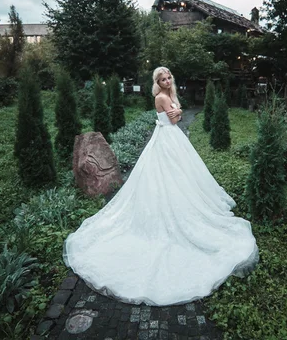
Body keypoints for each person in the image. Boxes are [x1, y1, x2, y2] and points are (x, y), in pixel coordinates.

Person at [63, 67, 259, 306]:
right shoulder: (161, 97)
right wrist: (177, 111)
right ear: (157, 82)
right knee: (165, 176)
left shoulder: (169, 95)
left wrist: (176, 111)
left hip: (172, 138)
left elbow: (176, 115)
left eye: (168, 78)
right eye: (162, 79)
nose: (166, 81)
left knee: (182, 176)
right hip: (166, 139)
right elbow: (175, 118)